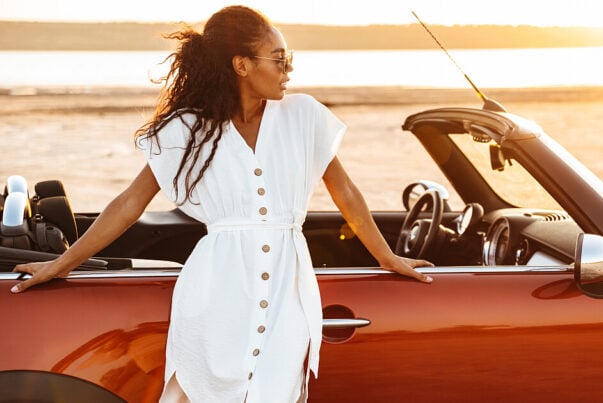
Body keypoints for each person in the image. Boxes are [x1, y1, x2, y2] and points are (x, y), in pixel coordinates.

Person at [10, 5, 433, 402]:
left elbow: (347, 194)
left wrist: (386, 257)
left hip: (288, 296)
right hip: (215, 295)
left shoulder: (303, 116)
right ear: (241, 65)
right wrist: (60, 265)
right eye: (279, 59)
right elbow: (128, 205)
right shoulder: (188, 129)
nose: (289, 69)